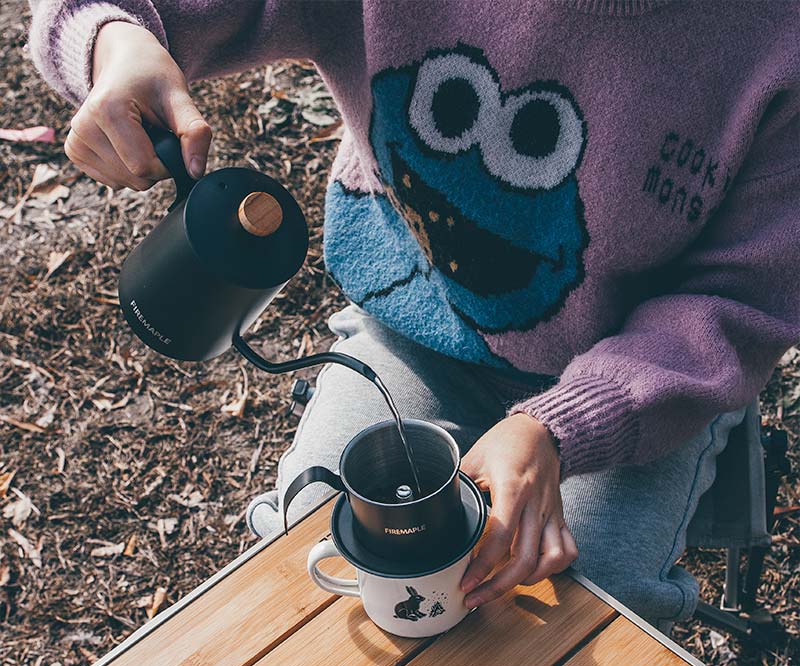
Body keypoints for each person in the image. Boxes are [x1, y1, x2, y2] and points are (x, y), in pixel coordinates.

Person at [29, 0, 800, 630]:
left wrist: (560, 427)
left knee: (578, 614)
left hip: (633, 377)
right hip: (419, 327)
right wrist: (115, 39)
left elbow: (739, 301)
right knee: (319, 550)